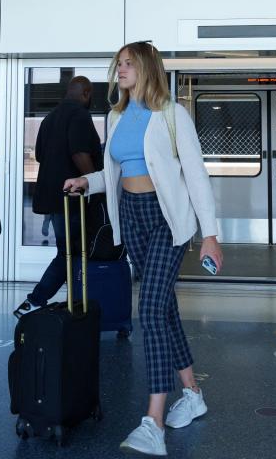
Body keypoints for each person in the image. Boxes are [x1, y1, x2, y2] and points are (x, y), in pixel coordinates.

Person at [63, 42, 222, 456]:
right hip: (131, 216)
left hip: (167, 220)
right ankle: (192, 393)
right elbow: (115, 170)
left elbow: (197, 175)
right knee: (163, 308)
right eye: (119, 63)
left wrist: (210, 234)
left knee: (149, 309)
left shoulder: (172, 114)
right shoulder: (116, 115)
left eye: (130, 63)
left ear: (148, 68)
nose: (121, 69)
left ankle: (153, 421)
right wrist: (88, 183)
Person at [14, 76, 103, 318]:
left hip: (54, 200)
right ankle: (36, 300)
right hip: (74, 199)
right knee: (71, 253)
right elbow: (80, 154)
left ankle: (69, 301)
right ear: (86, 93)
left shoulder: (49, 118)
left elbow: (41, 155)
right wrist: (94, 182)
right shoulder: (80, 115)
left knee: (68, 252)